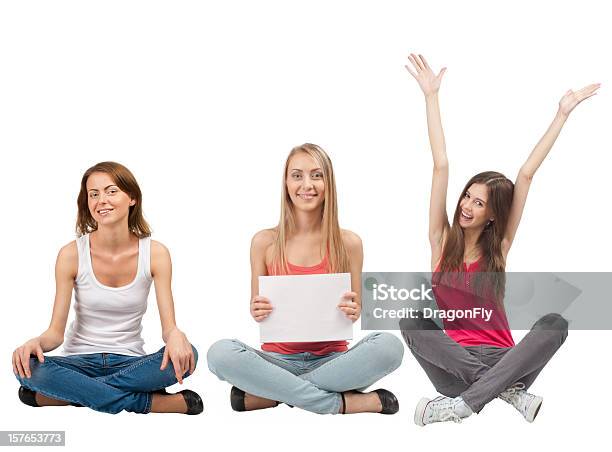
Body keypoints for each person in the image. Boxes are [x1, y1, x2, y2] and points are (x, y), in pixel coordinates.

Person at [400, 53, 599, 425]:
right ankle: (505, 393)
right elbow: (440, 163)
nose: (467, 206)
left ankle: (464, 405)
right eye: (467, 197)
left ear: (492, 215)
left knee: (555, 323)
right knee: (411, 321)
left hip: (506, 360)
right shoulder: (439, 241)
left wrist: (561, 114)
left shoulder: (499, 250)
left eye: (479, 203)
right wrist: (431, 96)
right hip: (454, 368)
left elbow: (524, 176)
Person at [207, 143, 404, 415]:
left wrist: (353, 309)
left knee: (390, 347)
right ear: (286, 183)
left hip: (334, 361)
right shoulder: (264, 242)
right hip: (276, 361)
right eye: (297, 175)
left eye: (317, 175)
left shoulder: (349, 243)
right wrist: (257, 308)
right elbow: (258, 309)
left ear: (328, 183)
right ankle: (342, 403)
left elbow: (355, 312)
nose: (307, 184)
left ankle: (273, 394)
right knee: (219, 354)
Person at [12, 161, 203, 415]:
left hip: (131, 363)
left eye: (111, 191)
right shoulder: (71, 254)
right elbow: (55, 334)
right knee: (28, 367)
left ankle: (72, 394)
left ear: (132, 197)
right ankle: (150, 402)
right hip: (78, 363)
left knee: (190, 356)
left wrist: (177, 335)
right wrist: (34, 342)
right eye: (94, 194)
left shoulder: (156, 253)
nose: (102, 200)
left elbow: (169, 329)